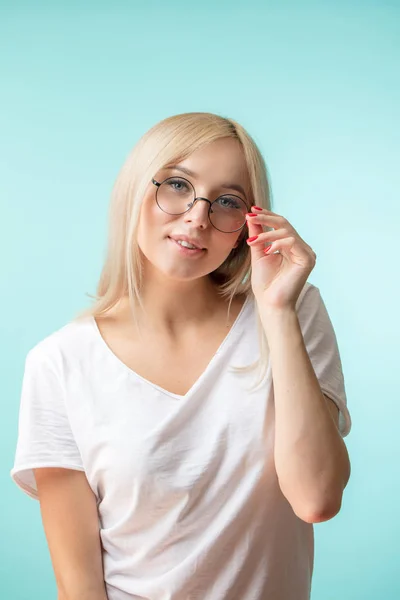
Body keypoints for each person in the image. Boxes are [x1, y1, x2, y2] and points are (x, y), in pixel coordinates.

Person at [10, 112, 352, 600]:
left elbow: (317, 498)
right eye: (176, 185)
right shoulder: (60, 363)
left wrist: (276, 310)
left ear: (248, 224)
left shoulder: (292, 309)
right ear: (135, 189)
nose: (197, 216)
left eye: (228, 201)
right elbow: (79, 587)